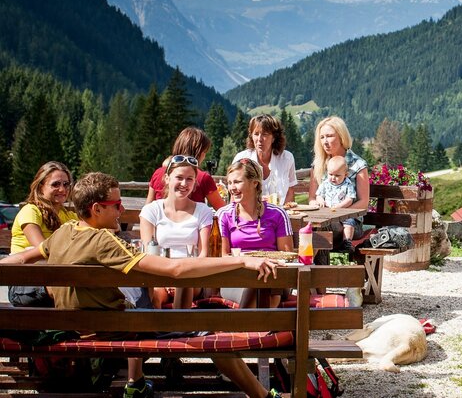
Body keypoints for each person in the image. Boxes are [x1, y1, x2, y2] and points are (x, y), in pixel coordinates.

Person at [0, 172, 281, 398]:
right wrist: (240, 261)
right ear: (96, 209)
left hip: (81, 327)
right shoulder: (104, 241)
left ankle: (136, 382)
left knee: (145, 301)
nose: (121, 210)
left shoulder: (64, 232)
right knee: (210, 334)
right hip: (116, 328)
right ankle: (262, 396)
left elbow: (23, 257)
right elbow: (175, 269)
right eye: (116, 204)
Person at [140, 154, 214, 309]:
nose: (184, 184)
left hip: (191, 275)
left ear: (195, 183)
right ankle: (157, 323)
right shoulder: (151, 210)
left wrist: (181, 273)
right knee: (154, 296)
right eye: (179, 178)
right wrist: (168, 275)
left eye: (189, 179)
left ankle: (181, 322)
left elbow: (203, 254)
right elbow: (148, 253)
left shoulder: (203, 211)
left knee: (184, 284)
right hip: (160, 274)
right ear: (167, 179)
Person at [217, 158, 293, 308]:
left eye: (237, 182)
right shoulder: (224, 215)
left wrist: (265, 265)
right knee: (255, 285)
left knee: (267, 284)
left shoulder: (277, 214)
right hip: (236, 277)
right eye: (229, 183)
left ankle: (248, 321)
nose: (232, 188)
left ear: (255, 183)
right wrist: (250, 263)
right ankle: (258, 321)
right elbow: (222, 256)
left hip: (274, 276)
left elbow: (286, 256)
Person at [307, 116, 369, 255]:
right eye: (322, 137)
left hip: (350, 224)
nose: (325, 141)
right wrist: (318, 206)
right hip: (323, 219)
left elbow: (363, 203)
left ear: (341, 137)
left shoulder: (358, 164)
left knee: (320, 230)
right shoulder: (318, 164)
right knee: (301, 229)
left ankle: (312, 267)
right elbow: (312, 198)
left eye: (329, 136)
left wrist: (337, 215)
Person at [145, 127, 225, 210]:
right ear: (200, 153)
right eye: (205, 152)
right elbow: (223, 210)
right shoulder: (204, 178)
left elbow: (147, 208)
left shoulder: (158, 173)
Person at [10, 161, 78, 254]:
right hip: (30, 263)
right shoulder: (30, 211)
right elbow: (42, 249)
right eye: (55, 184)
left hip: (56, 262)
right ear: (40, 187)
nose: (62, 189)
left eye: (66, 184)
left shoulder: (70, 216)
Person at [233, 115, 297, 206]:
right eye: (256, 134)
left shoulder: (287, 158)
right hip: (249, 213)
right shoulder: (241, 159)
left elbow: (290, 191)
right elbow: (234, 193)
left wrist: (283, 212)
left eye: (265, 134)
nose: (259, 139)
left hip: (279, 212)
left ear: (274, 137)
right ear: (251, 136)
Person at [314, 155, 358, 251]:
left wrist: (339, 207)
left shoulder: (347, 184)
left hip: (342, 213)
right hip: (327, 212)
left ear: (345, 175)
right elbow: (319, 195)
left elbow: (350, 199)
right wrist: (320, 200)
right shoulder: (325, 183)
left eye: (337, 175)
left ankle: (347, 242)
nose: (333, 178)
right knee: (318, 222)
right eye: (330, 174)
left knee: (349, 223)